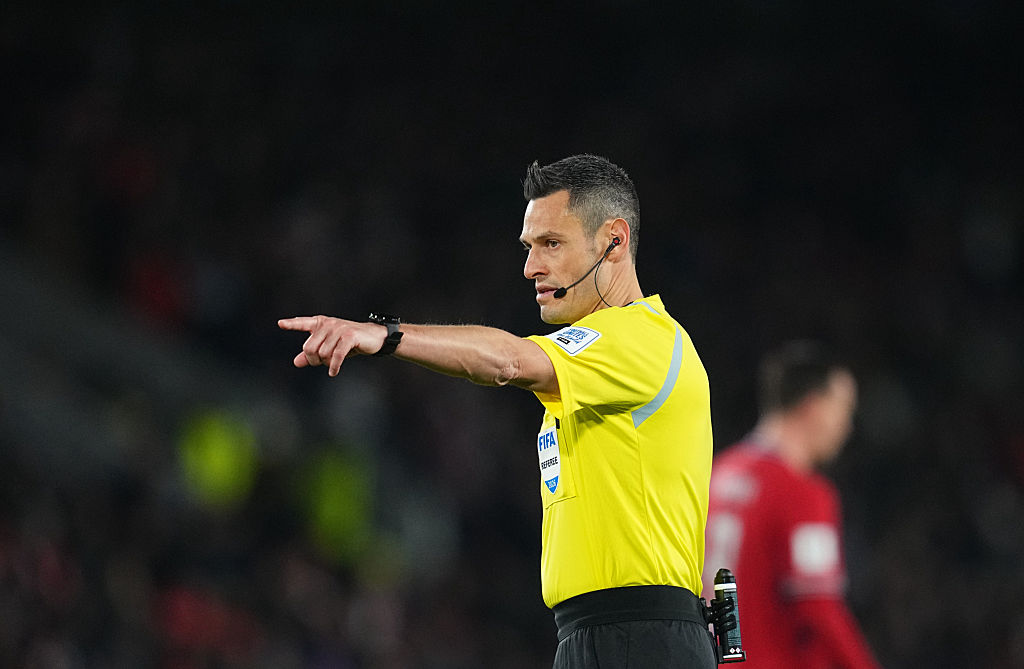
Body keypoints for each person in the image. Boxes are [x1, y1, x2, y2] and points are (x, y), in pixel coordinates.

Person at [279, 154, 717, 668]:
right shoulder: (595, 365)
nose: (531, 267)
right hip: (590, 637)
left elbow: (509, 360)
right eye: (529, 248)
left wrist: (387, 335)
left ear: (613, 241)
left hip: (643, 640)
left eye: (552, 243)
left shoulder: (644, 338)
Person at [702, 341, 881, 668]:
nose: (847, 426)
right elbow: (818, 606)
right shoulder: (802, 492)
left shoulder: (717, 475)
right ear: (812, 406)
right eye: (843, 409)